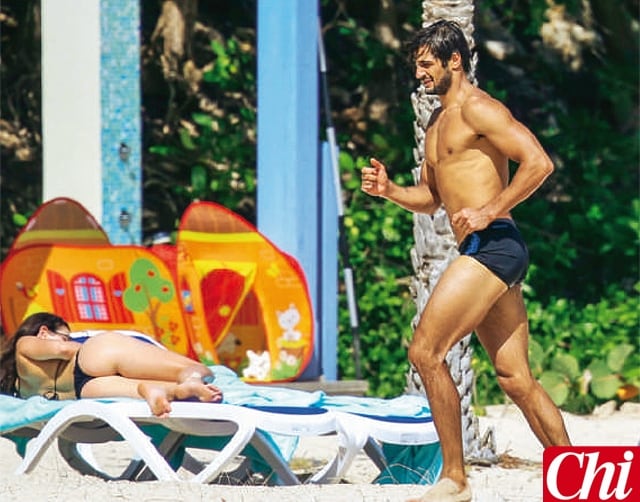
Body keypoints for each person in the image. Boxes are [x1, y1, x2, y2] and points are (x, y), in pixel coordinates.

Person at [360, 20, 571, 502]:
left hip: (495, 244)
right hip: (484, 249)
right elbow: (432, 199)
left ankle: (454, 480)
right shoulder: (436, 124)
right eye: (417, 65)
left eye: (427, 64)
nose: (420, 73)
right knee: (515, 378)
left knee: (425, 352)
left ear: (454, 60)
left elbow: (539, 163)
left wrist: (488, 210)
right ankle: (579, 478)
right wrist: (390, 191)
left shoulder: (480, 108)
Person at [0, 312, 223, 417]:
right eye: (66, 336)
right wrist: (82, 345)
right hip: (92, 357)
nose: (68, 340)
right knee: (197, 369)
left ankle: (170, 390)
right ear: (43, 332)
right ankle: (193, 380)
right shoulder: (25, 343)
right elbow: (62, 350)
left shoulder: (22, 388)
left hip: (84, 390)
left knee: (143, 388)